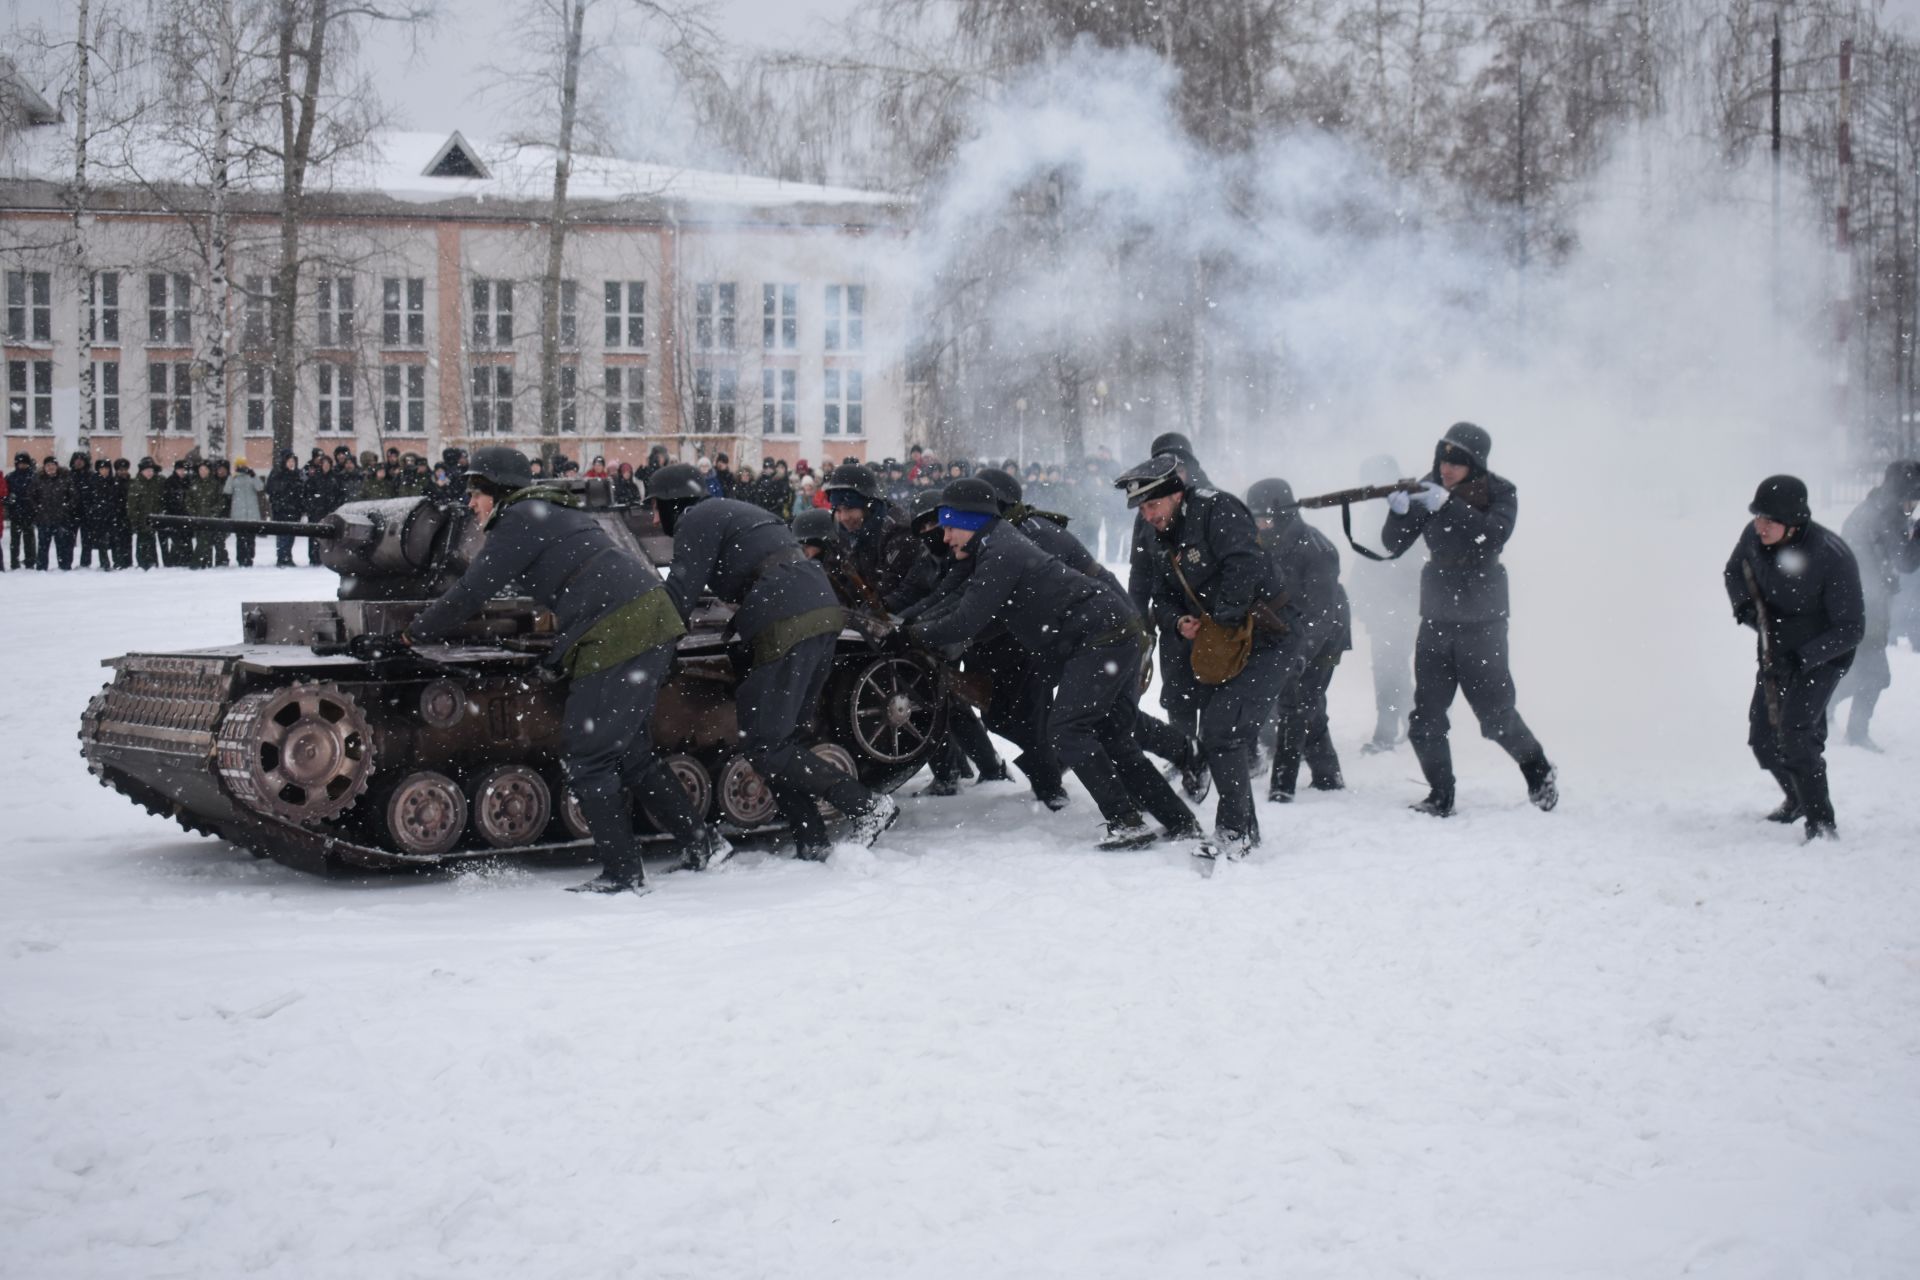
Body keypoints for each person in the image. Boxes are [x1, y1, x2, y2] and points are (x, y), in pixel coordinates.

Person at [402, 447, 727, 893]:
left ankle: (623, 873)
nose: (471, 503)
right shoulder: (547, 512)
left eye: (476, 492)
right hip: (643, 617)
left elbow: (471, 592)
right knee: (630, 751)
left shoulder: (518, 520)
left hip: (620, 628)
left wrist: (412, 633)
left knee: (588, 753)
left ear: (498, 491)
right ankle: (701, 843)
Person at [908, 478, 1207, 852]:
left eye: (950, 526)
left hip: (1101, 635)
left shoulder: (1000, 551)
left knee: (1067, 729)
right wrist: (910, 624)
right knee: (1114, 734)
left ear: (970, 520)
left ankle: (1126, 821)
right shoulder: (992, 545)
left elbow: (966, 619)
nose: (946, 537)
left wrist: (912, 636)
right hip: (1108, 631)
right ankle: (1179, 821)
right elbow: (964, 605)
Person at [650, 463, 899, 860]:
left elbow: (678, 595)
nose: (652, 517)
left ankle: (868, 807)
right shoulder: (732, 511)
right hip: (818, 610)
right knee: (784, 742)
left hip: (786, 618)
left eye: (654, 506)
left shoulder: (695, 518)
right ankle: (811, 838)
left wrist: (652, 652)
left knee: (764, 743)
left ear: (670, 504)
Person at [1382, 422, 1556, 816]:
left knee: (1496, 716)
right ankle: (1440, 795)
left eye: (1457, 463)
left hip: (1483, 618)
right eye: (1443, 459)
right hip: (1437, 614)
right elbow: (1394, 544)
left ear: (1475, 465)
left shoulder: (1500, 491)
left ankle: (1537, 768)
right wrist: (1399, 513)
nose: (1446, 469)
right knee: (1425, 718)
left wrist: (1448, 505)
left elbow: (1492, 536)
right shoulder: (1429, 487)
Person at [1118, 454, 1287, 858]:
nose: (1147, 515)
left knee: (1221, 731)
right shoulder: (1161, 531)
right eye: (1142, 508)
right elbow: (1162, 591)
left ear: (1175, 494)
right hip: (1222, 641)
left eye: (1153, 504)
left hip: (1267, 634)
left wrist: (1217, 620)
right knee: (1220, 734)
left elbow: (1244, 567)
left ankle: (1235, 835)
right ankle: (1244, 830)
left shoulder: (1216, 509)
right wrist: (1178, 623)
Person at [1724, 475, 1865, 841]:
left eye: (1770, 520)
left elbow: (1850, 629)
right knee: (1763, 739)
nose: (1760, 526)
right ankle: (1797, 798)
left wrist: (1803, 658)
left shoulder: (1831, 556)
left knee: (1797, 735)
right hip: (1775, 652)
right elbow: (1734, 572)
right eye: (1757, 517)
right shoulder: (1754, 538)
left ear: (1795, 522)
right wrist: (1744, 609)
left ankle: (1821, 822)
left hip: (1823, 657)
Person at [1247, 479, 1351, 801]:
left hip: (1326, 636)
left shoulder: (1316, 549)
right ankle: (1327, 774)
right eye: (1254, 518)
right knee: (1308, 705)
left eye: (1265, 518)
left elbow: (1321, 612)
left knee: (1297, 704)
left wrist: (1301, 653)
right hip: (1287, 630)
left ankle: (1282, 787)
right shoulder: (1259, 544)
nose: (1259, 525)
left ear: (1283, 514)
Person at [1127, 432, 1214, 801]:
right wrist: (1137, 617)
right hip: (1170, 612)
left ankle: (1217, 754)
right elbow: (1141, 568)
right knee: (1177, 691)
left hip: (1212, 614)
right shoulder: (1150, 504)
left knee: (1215, 689)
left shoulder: (1211, 503)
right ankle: (1186, 752)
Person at [1826, 460, 1920, 748]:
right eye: (1913, 498)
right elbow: (1905, 561)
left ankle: (1823, 705)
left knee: (1862, 668)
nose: (1913, 506)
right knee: (1876, 674)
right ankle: (1855, 731)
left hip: (1854, 600)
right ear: (1902, 491)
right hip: (1865, 604)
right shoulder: (1887, 515)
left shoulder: (1875, 507)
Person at [1348, 454, 1423, 754]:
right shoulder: (1380, 511)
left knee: (1388, 666)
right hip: (1384, 602)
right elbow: (1366, 558)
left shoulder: (1408, 508)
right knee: (1391, 665)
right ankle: (1412, 719)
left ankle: (1388, 730)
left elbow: (1410, 558)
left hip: (1401, 601)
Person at [823, 462, 925, 601]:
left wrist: (859, 616)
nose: (843, 518)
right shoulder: (847, 534)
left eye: (849, 509)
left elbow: (892, 590)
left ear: (868, 506)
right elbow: (840, 582)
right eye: (838, 510)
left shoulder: (898, 532)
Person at [29, 455, 78, 570]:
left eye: (52, 465)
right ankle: (41, 568)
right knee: (43, 546)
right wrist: (38, 508)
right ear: (44, 467)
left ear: (56, 466)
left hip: (61, 519)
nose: (50, 468)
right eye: (47, 465)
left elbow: (74, 496)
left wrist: (66, 507)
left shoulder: (65, 479)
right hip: (44, 519)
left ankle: (64, 567)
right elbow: (31, 496)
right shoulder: (38, 479)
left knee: (62, 545)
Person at [265, 451, 306, 566]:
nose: (291, 464)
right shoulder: (277, 473)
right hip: (281, 510)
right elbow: (270, 489)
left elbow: (301, 491)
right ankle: (282, 557)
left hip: (294, 510)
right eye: (289, 461)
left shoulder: (297, 474)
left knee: (291, 535)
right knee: (282, 534)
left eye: (293, 461)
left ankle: (287, 556)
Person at [225, 458, 267, 566]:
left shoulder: (251, 476)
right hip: (238, 514)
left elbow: (260, 487)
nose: (241, 468)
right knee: (240, 538)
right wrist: (231, 477)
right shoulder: (233, 478)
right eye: (239, 465)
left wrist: (253, 475)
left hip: (251, 513)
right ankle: (241, 558)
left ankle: (249, 558)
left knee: (251, 538)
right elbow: (227, 490)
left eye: (243, 465)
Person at [127, 458, 166, 570]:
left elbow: (160, 500)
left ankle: (153, 562)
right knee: (142, 541)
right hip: (141, 519)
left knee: (152, 541)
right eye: (147, 470)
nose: (149, 473)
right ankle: (142, 563)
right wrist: (135, 519)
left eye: (151, 470)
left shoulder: (157, 482)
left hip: (154, 518)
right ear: (141, 471)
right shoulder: (136, 484)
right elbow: (132, 505)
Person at [185, 461, 224, 568]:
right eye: (200, 470)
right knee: (200, 539)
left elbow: (220, 501)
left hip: (211, 519)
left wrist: (213, 513)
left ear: (209, 471)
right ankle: (200, 563)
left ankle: (206, 563)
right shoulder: (194, 484)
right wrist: (193, 513)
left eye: (205, 470)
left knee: (208, 541)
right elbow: (188, 501)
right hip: (198, 518)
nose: (202, 472)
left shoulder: (215, 484)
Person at [6, 452, 35, 569]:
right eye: (20, 463)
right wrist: (9, 502)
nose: (22, 465)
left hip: (29, 512)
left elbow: (37, 493)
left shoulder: (33, 476)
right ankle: (14, 562)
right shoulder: (10, 477)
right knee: (14, 541)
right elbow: (6, 493)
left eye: (24, 463)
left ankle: (30, 561)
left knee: (29, 540)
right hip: (15, 513)